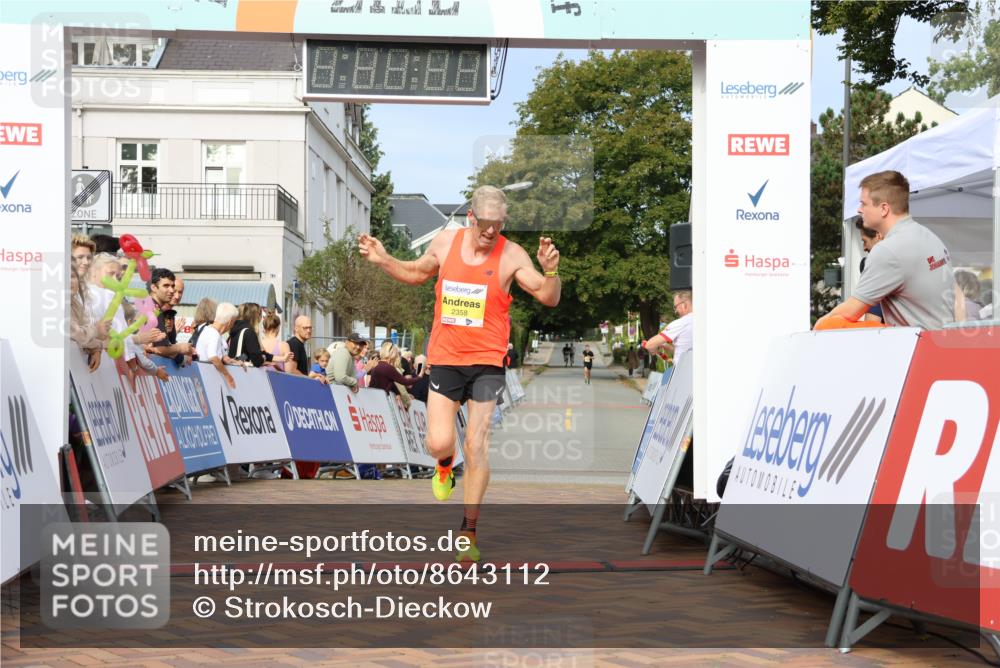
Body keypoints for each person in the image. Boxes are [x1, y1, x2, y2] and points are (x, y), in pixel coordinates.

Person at [360, 184, 561, 562]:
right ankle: (443, 465)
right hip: (447, 358)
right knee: (439, 442)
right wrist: (384, 260)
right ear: (471, 217)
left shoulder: (511, 254)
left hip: (488, 360)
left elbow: (547, 296)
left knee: (476, 444)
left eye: (498, 224)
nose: (491, 231)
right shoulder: (445, 243)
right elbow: (417, 273)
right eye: (485, 223)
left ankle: (468, 530)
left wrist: (552, 272)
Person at [816, 171, 959, 330]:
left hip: (917, 349)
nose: (859, 210)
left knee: (829, 324)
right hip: (940, 342)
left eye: (864, 204)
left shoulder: (888, 250)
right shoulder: (929, 237)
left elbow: (848, 313)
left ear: (884, 208)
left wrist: (817, 327)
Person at [643, 290, 693, 365]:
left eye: (675, 307)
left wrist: (653, 349)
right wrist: (664, 345)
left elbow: (650, 345)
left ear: (684, 305)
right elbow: (684, 351)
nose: (675, 311)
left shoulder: (681, 323)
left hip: (682, 372)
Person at [195, 302, 238, 389]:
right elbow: (212, 356)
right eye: (234, 322)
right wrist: (227, 375)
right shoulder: (214, 334)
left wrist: (224, 358)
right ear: (230, 322)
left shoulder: (208, 330)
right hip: (209, 380)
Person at [855, 218, 885, 323]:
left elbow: (872, 324)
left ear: (878, 236)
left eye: (864, 241)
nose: (864, 247)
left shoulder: (878, 273)